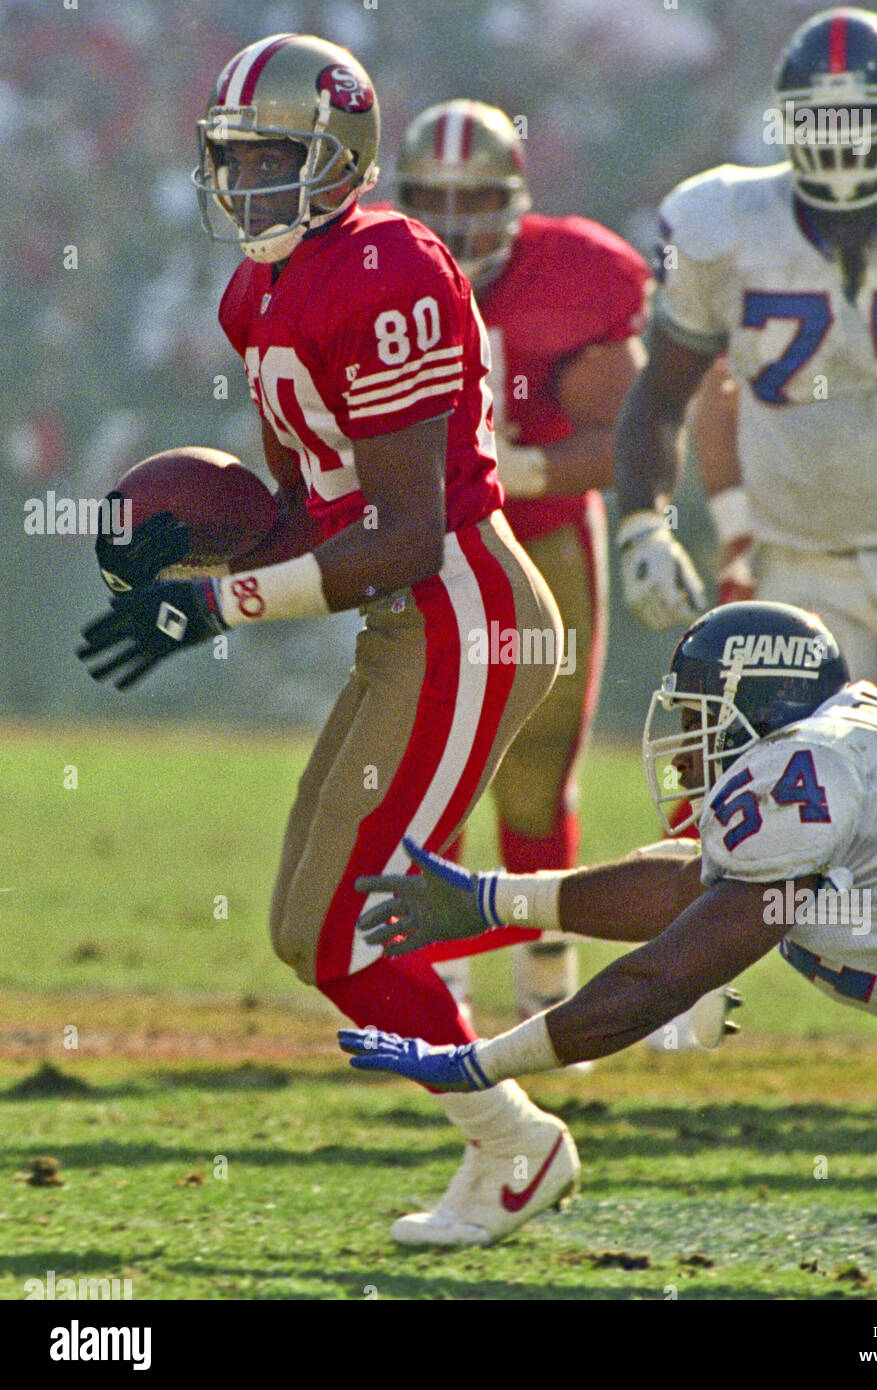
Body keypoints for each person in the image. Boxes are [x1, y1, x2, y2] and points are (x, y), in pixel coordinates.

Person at [77, 32, 581, 1248]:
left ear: (340, 156)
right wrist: (191, 560)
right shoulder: (254, 291)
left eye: (272, 159)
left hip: (469, 611)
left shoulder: (388, 265)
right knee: (310, 933)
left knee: (354, 923)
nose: (247, 186)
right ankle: (514, 1129)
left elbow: (407, 535)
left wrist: (216, 611)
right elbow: (316, 516)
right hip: (408, 622)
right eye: (232, 162)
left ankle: (519, 1142)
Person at [339, 600, 877, 1283]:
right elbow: (684, 888)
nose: (681, 757)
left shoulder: (811, 770)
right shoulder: (839, 743)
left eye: (697, 718)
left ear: (759, 706)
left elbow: (654, 984)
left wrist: (479, 1063)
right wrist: (491, 900)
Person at [613, 5, 877, 821]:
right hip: (798, 564)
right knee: (804, 816)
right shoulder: (727, 222)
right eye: (821, 121)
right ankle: (857, 956)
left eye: (861, 120)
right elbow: (660, 394)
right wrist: (642, 522)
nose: (842, 142)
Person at [391, 99, 648, 1028]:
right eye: (433, 200)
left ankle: (545, 976)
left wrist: (508, 467)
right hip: (430, 547)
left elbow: (625, 442)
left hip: (541, 538)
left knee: (535, 772)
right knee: (435, 765)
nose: (455, 225)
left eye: (476, 200)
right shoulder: (370, 271)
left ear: (516, 202)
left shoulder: (577, 274)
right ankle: (441, 982)